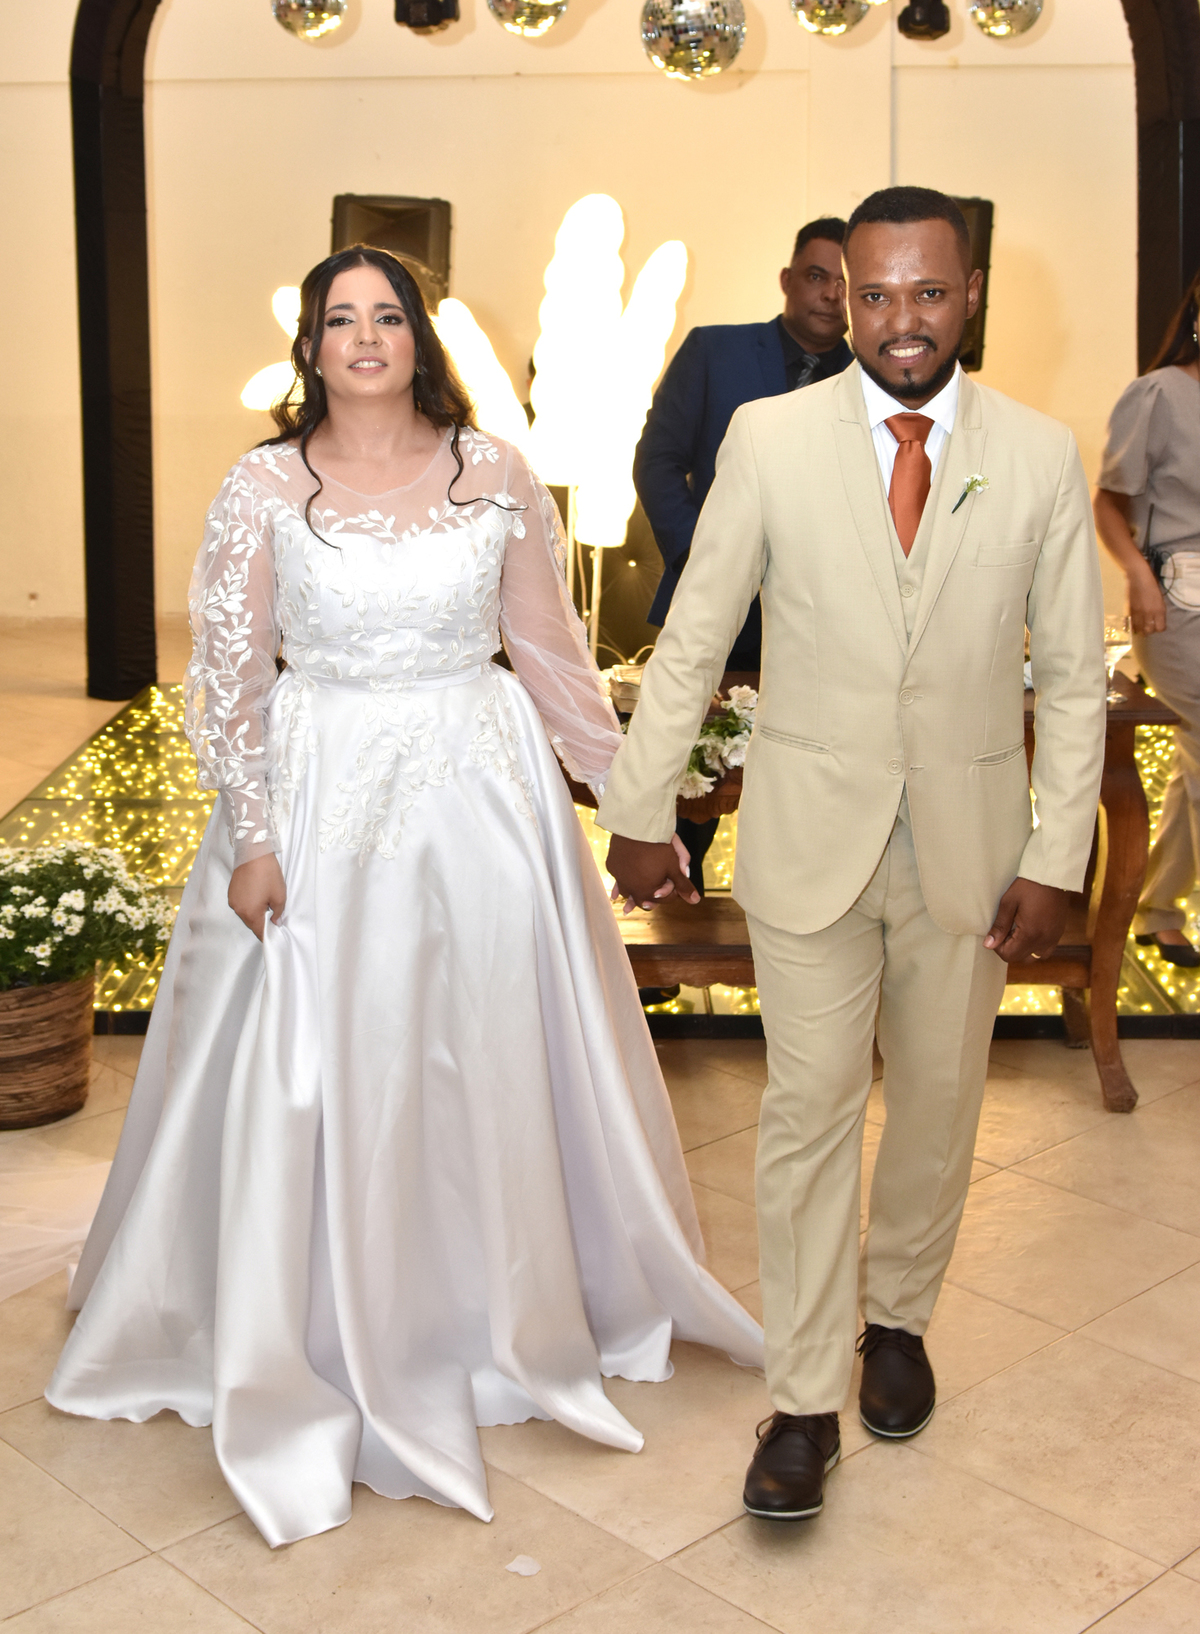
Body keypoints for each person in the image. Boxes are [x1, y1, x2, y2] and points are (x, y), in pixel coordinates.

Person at [46, 246, 762, 1548]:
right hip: (320, 793)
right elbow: (229, 679)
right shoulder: (264, 484)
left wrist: (635, 800)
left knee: (482, 1046)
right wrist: (253, 836)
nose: (366, 336)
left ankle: (489, 1304)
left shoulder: (494, 470)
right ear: (311, 347)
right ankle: (301, 1312)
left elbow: (550, 653)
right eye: (341, 318)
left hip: (482, 794)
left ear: (419, 338)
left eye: (388, 315)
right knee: (333, 1056)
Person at [599, 187, 1106, 1523]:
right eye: (873, 294)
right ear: (841, 297)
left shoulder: (1039, 452)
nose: (900, 320)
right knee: (807, 1111)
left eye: (927, 292)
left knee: (938, 1105)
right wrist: (641, 805)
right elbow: (696, 632)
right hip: (809, 838)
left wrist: (1057, 855)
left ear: (971, 292)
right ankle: (804, 1396)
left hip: (973, 852)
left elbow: (1070, 675)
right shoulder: (769, 437)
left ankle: (898, 1320)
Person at [634, 219, 853, 900]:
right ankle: (673, 918)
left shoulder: (871, 379)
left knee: (807, 785)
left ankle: (795, 918)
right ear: (788, 280)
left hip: (823, 621)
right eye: (817, 276)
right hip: (715, 614)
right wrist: (707, 560)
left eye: (846, 283)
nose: (831, 294)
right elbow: (658, 461)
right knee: (691, 780)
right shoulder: (714, 351)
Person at [1094, 271, 1200, 967]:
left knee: (1195, 762)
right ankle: (1155, 908)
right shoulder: (1160, 394)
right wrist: (1137, 576)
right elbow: (1110, 501)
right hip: (1178, 601)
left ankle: (1157, 908)